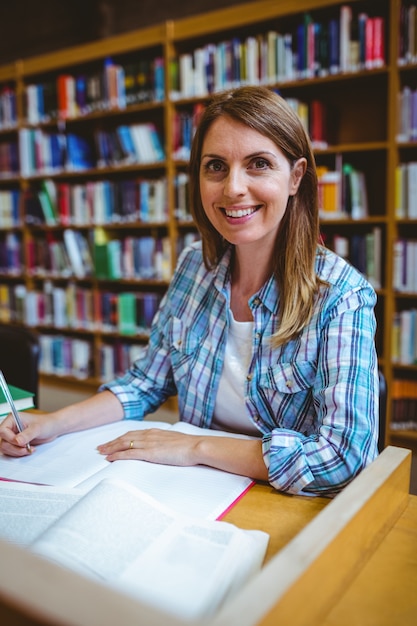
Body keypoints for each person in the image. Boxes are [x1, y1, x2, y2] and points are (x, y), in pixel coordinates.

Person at [0, 86, 379, 496]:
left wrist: (195, 446)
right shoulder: (194, 267)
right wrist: (53, 422)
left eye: (258, 164)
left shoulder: (341, 295)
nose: (233, 188)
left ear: (296, 177)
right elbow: (145, 383)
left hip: (283, 501)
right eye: (216, 166)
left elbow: (343, 457)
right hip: (193, 488)